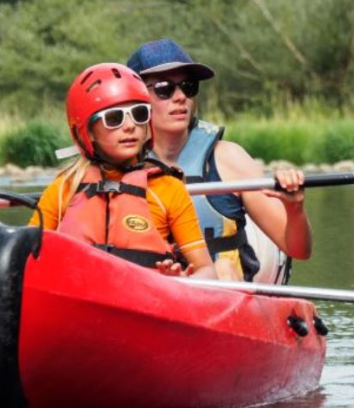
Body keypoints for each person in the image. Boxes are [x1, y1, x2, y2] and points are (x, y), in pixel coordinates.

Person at [126, 39, 312, 282]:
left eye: (188, 86)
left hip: (223, 300)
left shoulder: (228, 159)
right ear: (136, 97)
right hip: (152, 290)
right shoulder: (119, 164)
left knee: (223, 268)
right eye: (164, 88)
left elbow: (298, 250)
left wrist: (294, 208)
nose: (180, 97)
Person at [31, 62, 217, 279]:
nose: (130, 126)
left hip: (150, 300)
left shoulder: (169, 188)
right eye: (114, 118)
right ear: (88, 132)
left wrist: (179, 283)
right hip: (77, 295)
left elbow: (207, 270)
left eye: (139, 114)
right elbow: (28, 257)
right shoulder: (65, 188)